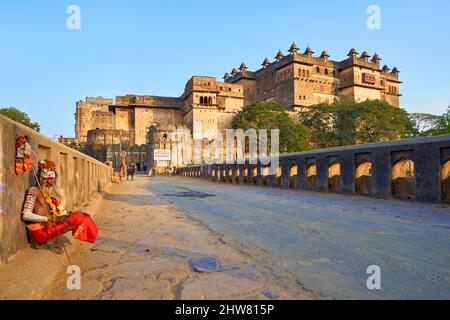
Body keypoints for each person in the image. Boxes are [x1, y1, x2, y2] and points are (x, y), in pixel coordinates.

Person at [22, 160, 99, 254]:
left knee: (82, 216)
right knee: (79, 217)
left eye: (51, 178)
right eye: (45, 178)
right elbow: (25, 215)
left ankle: (50, 239)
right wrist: (50, 219)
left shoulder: (48, 192)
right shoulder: (34, 191)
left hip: (48, 225)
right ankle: (46, 241)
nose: (49, 181)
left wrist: (66, 214)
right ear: (39, 178)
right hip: (39, 232)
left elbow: (56, 211)